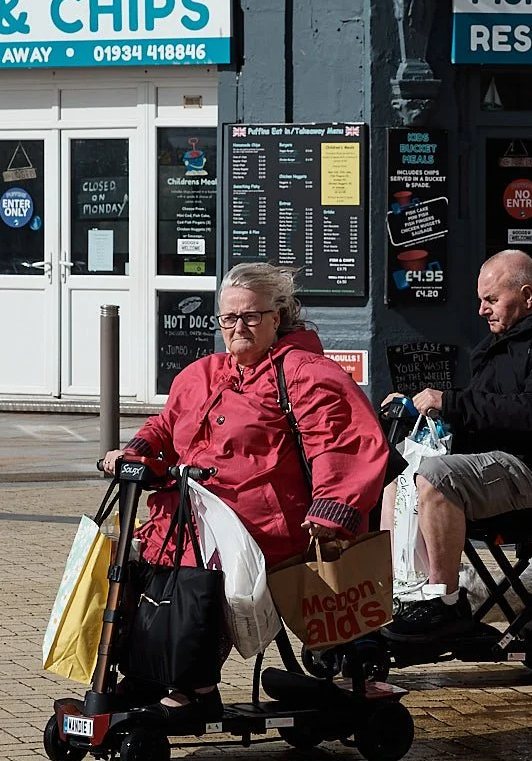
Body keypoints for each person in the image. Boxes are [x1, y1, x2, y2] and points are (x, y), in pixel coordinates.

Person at [103, 263, 389, 724]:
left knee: (195, 569)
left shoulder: (306, 373)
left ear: (277, 317)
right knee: (137, 560)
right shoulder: (202, 373)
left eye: (250, 317)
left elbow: (342, 443)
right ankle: (148, 673)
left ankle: (194, 687)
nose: (238, 327)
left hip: (266, 525)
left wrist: (332, 510)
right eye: (228, 318)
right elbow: (165, 426)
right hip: (193, 516)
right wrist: (134, 452)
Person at [382, 250, 532, 641]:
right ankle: (405, 593)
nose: (481, 310)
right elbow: (485, 408)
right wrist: (421, 408)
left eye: (490, 299)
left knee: (436, 477)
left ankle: (443, 603)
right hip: (506, 461)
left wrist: (451, 402)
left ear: (527, 296)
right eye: (480, 300)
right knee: (397, 472)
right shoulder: (506, 341)